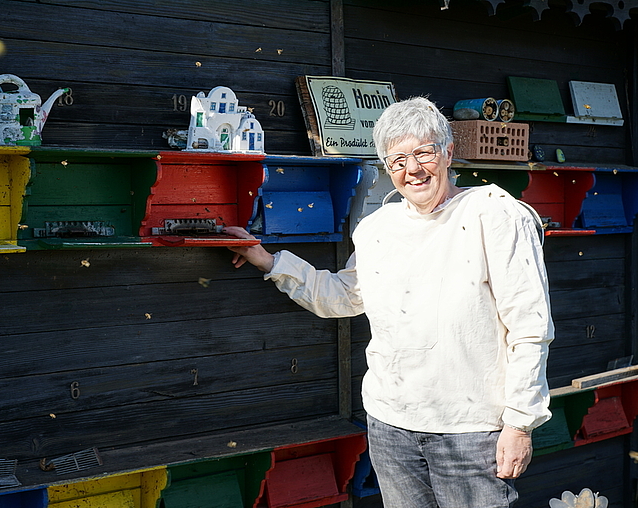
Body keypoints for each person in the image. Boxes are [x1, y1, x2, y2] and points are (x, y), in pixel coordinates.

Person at [224, 96, 553, 508]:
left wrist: (520, 425)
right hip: (391, 425)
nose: (412, 169)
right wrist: (269, 261)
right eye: (398, 160)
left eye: (423, 153)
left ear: (448, 152)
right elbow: (345, 296)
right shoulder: (378, 227)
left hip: (470, 429)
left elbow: (529, 325)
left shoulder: (497, 214)